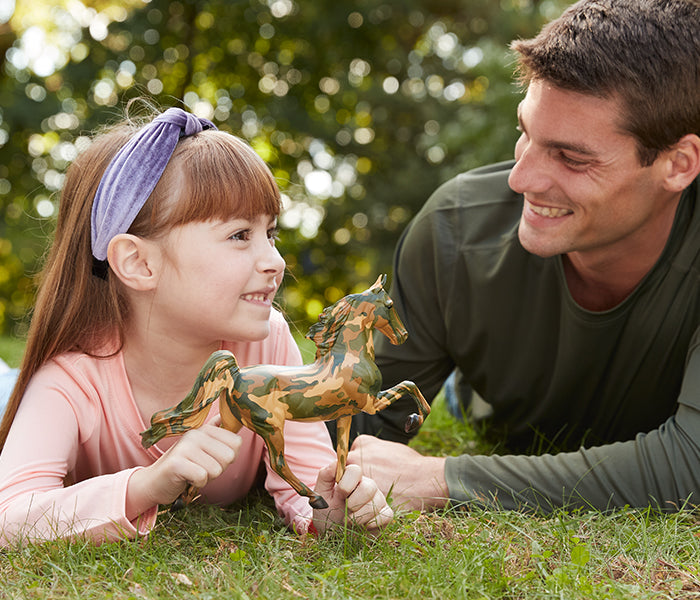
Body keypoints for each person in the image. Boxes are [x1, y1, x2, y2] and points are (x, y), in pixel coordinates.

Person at [346, 0, 700, 514]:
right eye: (525, 133)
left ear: (678, 164)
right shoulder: (456, 231)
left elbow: (690, 464)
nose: (521, 180)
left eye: (572, 157)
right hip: (492, 406)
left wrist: (445, 478)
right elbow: (358, 426)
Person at [0, 107, 393, 547]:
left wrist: (327, 509)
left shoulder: (267, 346)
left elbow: (305, 484)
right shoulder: (71, 380)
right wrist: (146, 485)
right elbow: (9, 517)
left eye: (271, 234)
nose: (276, 262)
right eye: (240, 235)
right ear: (139, 262)